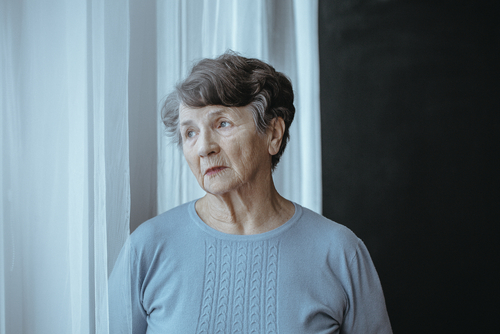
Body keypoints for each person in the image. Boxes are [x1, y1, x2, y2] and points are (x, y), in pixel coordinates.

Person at [109, 51, 392, 333]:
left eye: (222, 124)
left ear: (273, 134)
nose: (204, 147)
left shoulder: (340, 252)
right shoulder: (146, 249)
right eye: (190, 133)